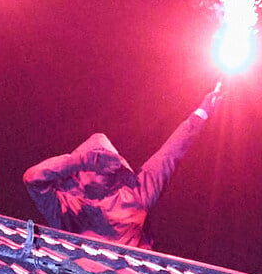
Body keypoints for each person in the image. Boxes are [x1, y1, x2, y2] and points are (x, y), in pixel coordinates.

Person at [22, 86, 222, 249]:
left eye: (107, 162)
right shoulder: (66, 205)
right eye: (97, 162)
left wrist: (202, 113)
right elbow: (33, 178)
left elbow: (170, 153)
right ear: (79, 174)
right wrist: (83, 160)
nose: (103, 169)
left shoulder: (136, 192)